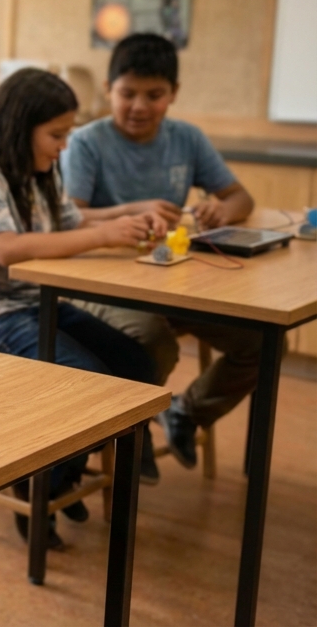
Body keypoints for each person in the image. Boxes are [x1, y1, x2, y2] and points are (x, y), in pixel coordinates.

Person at [0, 67, 164, 547]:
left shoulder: (39, 172)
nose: (63, 146)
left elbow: (73, 219)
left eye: (68, 134)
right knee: (83, 379)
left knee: (134, 363)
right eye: (56, 135)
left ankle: (63, 474)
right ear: (20, 128)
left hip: (32, 302)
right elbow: (7, 249)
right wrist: (103, 235)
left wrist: (129, 214)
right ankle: (42, 484)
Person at [61, 32, 263, 469]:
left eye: (154, 95)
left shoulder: (186, 138)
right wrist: (133, 210)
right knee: (152, 341)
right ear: (107, 89)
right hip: (102, 285)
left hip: (174, 281)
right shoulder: (86, 142)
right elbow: (69, 216)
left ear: (174, 94)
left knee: (260, 341)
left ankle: (186, 413)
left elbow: (240, 197)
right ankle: (133, 433)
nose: (139, 106)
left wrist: (219, 209)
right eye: (127, 93)